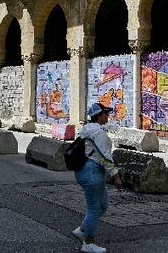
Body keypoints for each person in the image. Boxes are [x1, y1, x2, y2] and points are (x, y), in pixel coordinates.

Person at [72, 103, 123, 253]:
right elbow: (105, 157)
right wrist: (116, 176)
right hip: (92, 172)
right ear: (99, 115)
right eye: (105, 113)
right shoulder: (98, 133)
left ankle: (82, 230)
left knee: (103, 205)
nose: (108, 116)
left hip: (86, 171)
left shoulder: (88, 129)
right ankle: (88, 243)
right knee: (94, 209)